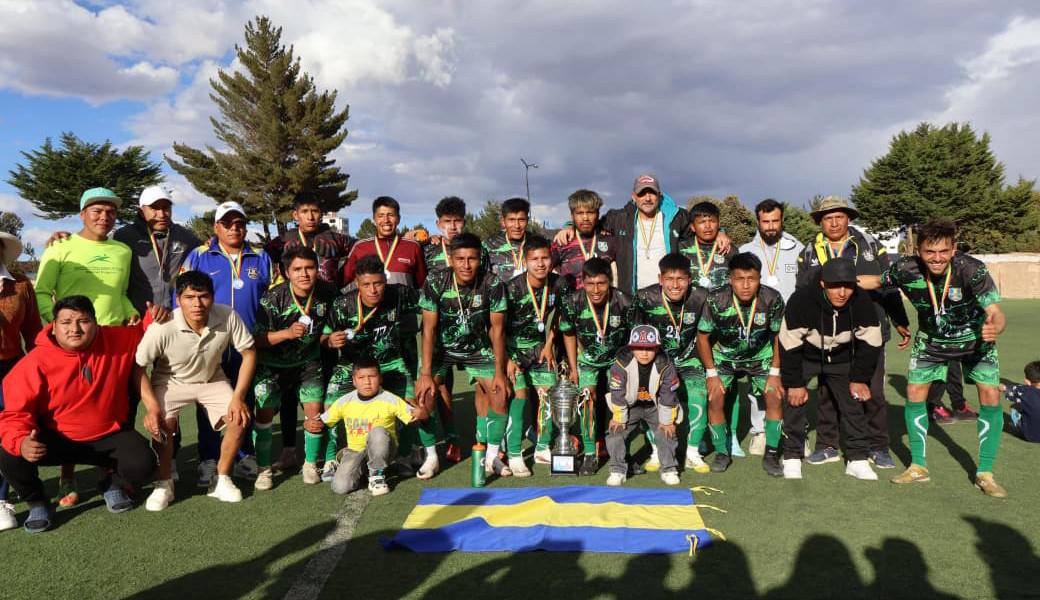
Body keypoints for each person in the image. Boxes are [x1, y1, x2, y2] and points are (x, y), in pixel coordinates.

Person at [0, 296, 157, 533]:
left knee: (143, 464)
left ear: (95, 323)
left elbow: (145, 331)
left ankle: (112, 484)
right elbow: (14, 414)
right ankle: (37, 501)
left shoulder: (116, 340)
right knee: (9, 453)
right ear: (54, 325)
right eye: (66, 322)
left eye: (83, 321)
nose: (74, 328)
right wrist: (21, 442)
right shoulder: (33, 362)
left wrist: (155, 315)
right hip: (56, 438)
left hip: (108, 435)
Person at [882, 218, 1008, 497]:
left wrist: (994, 326)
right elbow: (876, 282)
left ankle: (985, 473)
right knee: (914, 393)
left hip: (976, 340)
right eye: (930, 252)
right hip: (931, 341)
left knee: (990, 395)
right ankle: (918, 466)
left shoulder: (972, 269)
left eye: (943, 251)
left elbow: (996, 311)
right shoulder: (905, 269)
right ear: (919, 251)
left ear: (953, 249)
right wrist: (835, 280)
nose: (936, 258)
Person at [34, 187, 139, 506]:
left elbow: (118, 294)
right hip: (71, 342)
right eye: (96, 211)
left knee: (118, 408)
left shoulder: (122, 250)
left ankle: (111, 477)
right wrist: (56, 330)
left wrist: (131, 313)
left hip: (111, 342)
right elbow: (42, 292)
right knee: (65, 410)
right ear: (82, 214)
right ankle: (67, 476)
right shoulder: (61, 245)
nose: (104, 217)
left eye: (110, 212)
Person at [797, 196, 909, 470]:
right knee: (827, 391)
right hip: (827, 333)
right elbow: (802, 291)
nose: (834, 222)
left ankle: (878, 445)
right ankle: (827, 445)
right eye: (828, 218)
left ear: (849, 218)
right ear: (820, 222)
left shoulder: (871, 246)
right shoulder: (810, 251)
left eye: (839, 216)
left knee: (872, 391)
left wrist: (899, 318)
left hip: (868, 330)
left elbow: (889, 284)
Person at [136, 271, 256, 510]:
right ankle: (164, 482)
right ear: (178, 299)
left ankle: (221, 479)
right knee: (162, 424)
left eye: (203, 296)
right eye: (190, 297)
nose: (197, 304)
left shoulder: (227, 315)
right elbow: (138, 368)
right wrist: (151, 408)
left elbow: (249, 352)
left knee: (239, 418)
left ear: (212, 297)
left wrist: (238, 397)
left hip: (212, 379)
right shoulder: (162, 327)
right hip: (171, 382)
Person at [180, 201, 274, 486]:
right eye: (228, 223)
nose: (235, 228)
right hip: (210, 342)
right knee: (207, 402)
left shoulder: (261, 257)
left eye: (240, 223)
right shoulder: (198, 255)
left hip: (247, 343)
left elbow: (273, 296)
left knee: (243, 400)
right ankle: (209, 459)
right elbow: (182, 298)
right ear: (216, 227)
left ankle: (244, 454)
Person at [324, 255, 439, 480]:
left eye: (378, 283)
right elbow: (324, 336)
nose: (373, 290)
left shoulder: (399, 294)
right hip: (352, 366)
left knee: (412, 404)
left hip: (391, 362)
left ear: (385, 281)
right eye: (366, 284)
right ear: (357, 284)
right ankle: (330, 459)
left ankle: (405, 455)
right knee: (329, 405)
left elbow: (430, 302)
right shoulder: (342, 304)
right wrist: (329, 341)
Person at [265, 195, 354, 472]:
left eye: (316, 210)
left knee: (324, 385)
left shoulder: (336, 238)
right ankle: (290, 449)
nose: (311, 216)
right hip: (294, 308)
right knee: (290, 393)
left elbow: (360, 251)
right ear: (295, 214)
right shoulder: (281, 241)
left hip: (325, 305)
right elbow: (268, 260)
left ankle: (328, 451)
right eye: (305, 211)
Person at [415, 233, 513, 478]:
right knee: (424, 396)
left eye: (472, 259)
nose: (466, 265)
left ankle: (492, 457)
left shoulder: (492, 283)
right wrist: (426, 374)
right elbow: (428, 329)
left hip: (477, 350)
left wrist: (500, 372)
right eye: (460, 259)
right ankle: (431, 457)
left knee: (500, 392)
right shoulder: (436, 281)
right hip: (443, 350)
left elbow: (497, 330)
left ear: (480, 259)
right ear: (451, 259)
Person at [778, 258, 884, 481]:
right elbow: (788, 345)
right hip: (805, 355)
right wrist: (795, 383)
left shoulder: (862, 301)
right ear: (823, 284)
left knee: (853, 402)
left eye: (848, 285)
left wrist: (860, 378)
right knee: (794, 400)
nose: (842, 292)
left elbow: (872, 342)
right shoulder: (802, 300)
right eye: (836, 286)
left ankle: (857, 459)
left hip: (840, 357)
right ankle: (792, 456)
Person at [555, 174, 731, 296]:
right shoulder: (619, 218)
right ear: (634, 197)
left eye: (652, 193)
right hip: (632, 295)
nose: (647, 198)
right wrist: (569, 226)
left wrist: (720, 232)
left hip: (667, 295)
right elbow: (589, 223)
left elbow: (700, 227)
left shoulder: (677, 217)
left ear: (659, 195)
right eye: (642, 193)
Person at [251, 247, 337, 488]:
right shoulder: (272, 298)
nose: (304, 274)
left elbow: (326, 332)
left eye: (309, 268)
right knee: (264, 414)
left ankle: (310, 464)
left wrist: (330, 340)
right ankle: (264, 469)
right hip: (272, 367)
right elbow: (256, 340)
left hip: (308, 364)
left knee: (314, 413)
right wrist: (286, 334)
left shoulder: (327, 294)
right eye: (297, 269)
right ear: (285, 272)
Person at [697, 253, 785, 476]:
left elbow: (778, 337)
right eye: (739, 279)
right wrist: (711, 374)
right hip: (724, 358)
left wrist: (775, 372)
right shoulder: (715, 299)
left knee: (775, 394)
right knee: (714, 396)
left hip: (760, 356)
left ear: (760, 278)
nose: (746, 285)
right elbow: (703, 337)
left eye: (752, 278)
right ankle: (721, 452)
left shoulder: (772, 298)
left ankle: (772, 453)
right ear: (729, 279)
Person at [418, 196, 484, 460]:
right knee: (441, 385)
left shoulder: (476, 249)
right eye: (447, 222)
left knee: (483, 382)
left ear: (464, 222)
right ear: (438, 223)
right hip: (440, 331)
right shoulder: (428, 250)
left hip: (472, 329)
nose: (453, 227)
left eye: (457, 221)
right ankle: (453, 439)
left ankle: (484, 439)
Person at [739, 199, 805, 455]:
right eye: (765, 222)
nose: (770, 227)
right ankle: (761, 431)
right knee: (759, 382)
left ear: (782, 220)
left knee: (793, 379)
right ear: (758, 222)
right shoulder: (746, 249)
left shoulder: (796, 247)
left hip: (791, 326)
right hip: (757, 326)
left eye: (774, 221)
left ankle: (793, 430)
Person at [634, 253, 710, 473]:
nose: (675, 285)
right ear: (660, 279)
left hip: (688, 357)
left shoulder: (701, 296)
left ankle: (693, 452)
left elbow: (706, 334)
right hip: (657, 360)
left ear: (690, 278)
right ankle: (657, 451)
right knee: (649, 399)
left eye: (681, 279)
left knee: (699, 395)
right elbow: (637, 334)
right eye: (669, 279)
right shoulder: (645, 297)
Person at [309, 357, 427, 496]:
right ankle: (362, 470)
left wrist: (422, 412)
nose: (367, 382)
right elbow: (323, 421)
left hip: (385, 449)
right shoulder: (345, 401)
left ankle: (377, 474)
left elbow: (416, 416)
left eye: (372, 376)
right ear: (354, 381)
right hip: (355, 451)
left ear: (380, 378)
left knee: (377, 432)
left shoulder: (390, 399)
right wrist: (311, 423)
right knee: (340, 487)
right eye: (361, 377)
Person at [559, 257, 634, 475]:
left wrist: (627, 367)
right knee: (586, 397)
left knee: (619, 401)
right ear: (582, 282)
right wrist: (573, 368)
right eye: (590, 284)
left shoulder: (625, 301)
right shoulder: (573, 301)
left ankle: (620, 452)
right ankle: (590, 453)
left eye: (601, 283)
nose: (596, 289)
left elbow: (633, 337)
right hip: (587, 360)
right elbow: (568, 333)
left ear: (609, 281)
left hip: (616, 359)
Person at [503, 235, 571, 473]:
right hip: (512, 349)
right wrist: (507, 359)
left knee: (546, 395)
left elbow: (561, 316)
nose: (541, 264)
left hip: (540, 348)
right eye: (534, 259)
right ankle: (514, 454)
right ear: (525, 260)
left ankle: (542, 448)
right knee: (520, 398)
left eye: (545, 258)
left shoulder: (560, 284)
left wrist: (550, 343)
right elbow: (496, 327)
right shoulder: (511, 288)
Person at [0, 232, 42, 531]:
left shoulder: (21, 284)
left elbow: (34, 332)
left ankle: (3, 500)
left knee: (11, 432)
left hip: (11, 369)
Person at [605, 325, 682, 486]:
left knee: (666, 431)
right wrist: (619, 418)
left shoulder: (666, 364)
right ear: (631, 348)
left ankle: (669, 469)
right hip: (629, 405)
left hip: (656, 406)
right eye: (639, 348)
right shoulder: (620, 363)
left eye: (649, 348)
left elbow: (668, 395)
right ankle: (617, 470)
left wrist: (667, 421)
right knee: (616, 431)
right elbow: (617, 393)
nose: (644, 353)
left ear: (657, 348)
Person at [342, 196, 426, 288]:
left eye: (391, 215)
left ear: (398, 219)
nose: (386, 220)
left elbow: (423, 286)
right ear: (374, 220)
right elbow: (341, 280)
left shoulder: (412, 247)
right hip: (371, 302)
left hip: (404, 302)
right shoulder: (360, 247)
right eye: (381, 216)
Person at [550, 189, 617, 289]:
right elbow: (543, 270)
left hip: (602, 302)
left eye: (590, 212)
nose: (585, 218)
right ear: (572, 216)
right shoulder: (562, 242)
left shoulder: (610, 240)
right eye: (580, 213)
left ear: (598, 214)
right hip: (571, 303)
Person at [678, 201, 734, 291]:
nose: (708, 226)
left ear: (719, 224)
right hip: (691, 303)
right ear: (692, 227)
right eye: (702, 222)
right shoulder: (681, 248)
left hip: (722, 303)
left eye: (712, 221)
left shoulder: (728, 248)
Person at [484, 197, 532, 282]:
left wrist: (564, 231)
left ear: (527, 220)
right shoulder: (489, 245)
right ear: (503, 221)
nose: (517, 226)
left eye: (521, 220)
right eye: (511, 220)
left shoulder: (539, 243)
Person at [1004, 361, 1040, 443]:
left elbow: (1004, 388)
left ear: (1027, 381)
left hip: (1031, 436)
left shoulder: (1024, 390)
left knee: (1014, 407)